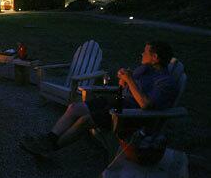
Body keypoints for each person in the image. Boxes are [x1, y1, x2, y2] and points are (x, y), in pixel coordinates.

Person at [20, 41, 177, 157]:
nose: (142, 54)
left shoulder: (165, 82)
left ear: (155, 57)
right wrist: (124, 77)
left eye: (145, 52)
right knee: (74, 108)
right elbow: (124, 86)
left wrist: (129, 80)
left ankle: (50, 148)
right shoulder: (146, 70)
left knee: (84, 120)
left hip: (129, 115)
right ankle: (49, 138)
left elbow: (145, 105)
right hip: (119, 102)